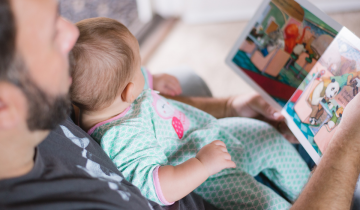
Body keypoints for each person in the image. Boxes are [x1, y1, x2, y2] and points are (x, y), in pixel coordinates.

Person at [0, 0, 359, 209]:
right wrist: (348, 142)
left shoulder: (62, 88)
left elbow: (138, 99)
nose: (71, 32)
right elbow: (153, 178)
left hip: (205, 137)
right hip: (208, 175)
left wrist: (232, 105)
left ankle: (307, 179)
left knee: (277, 133)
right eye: (49, 32)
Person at [69, 17, 310, 209]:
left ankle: (312, 191)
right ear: (129, 92)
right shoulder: (121, 137)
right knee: (268, 205)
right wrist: (202, 165)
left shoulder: (104, 98)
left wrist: (153, 79)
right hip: (210, 177)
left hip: (207, 132)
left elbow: (127, 76)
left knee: (267, 136)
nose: (142, 71)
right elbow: (157, 186)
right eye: (138, 68)